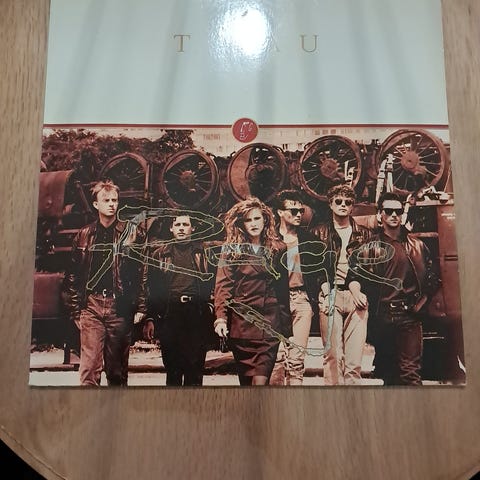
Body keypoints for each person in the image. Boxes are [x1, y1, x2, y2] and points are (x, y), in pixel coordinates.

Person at [347, 192, 438, 386]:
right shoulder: (369, 246)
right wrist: (356, 292)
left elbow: (432, 281)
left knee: (411, 374)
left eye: (398, 211)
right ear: (380, 214)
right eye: (389, 211)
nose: (394, 215)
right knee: (388, 374)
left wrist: (420, 305)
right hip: (382, 317)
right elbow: (353, 276)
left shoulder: (418, 246)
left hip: (409, 317)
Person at [63, 180, 145, 386]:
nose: (111, 204)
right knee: (90, 370)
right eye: (106, 200)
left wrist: (141, 306)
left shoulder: (133, 234)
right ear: (95, 204)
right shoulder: (84, 235)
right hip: (91, 306)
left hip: (120, 307)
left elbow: (143, 272)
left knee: (117, 373)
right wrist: (75, 311)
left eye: (114, 200)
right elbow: (72, 275)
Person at [213, 197, 291, 386]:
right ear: (241, 223)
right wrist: (221, 318)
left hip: (269, 325)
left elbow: (283, 291)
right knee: (247, 385)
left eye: (257, 218)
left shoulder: (278, 249)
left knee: (260, 383)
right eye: (248, 220)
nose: (253, 224)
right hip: (242, 328)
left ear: (265, 219)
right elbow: (223, 285)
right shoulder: (231, 250)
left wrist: (286, 331)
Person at [138, 213, 215, 386]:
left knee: (194, 370)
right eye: (178, 225)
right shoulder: (160, 254)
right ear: (171, 228)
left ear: (192, 228)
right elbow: (152, 289)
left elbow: (214, 282)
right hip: (170, 313)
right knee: (173, 369)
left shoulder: (204, 252)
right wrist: (151, 318)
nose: (181, 228)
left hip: (196, 312)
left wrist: (210, 306)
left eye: (185, 225)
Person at [312, 184, 372, 385]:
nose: (343, 205)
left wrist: (358, 290)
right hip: (331, 294)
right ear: (330, 204)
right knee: (333, 357)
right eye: (338, 201)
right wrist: (325, 293)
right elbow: (315, 269)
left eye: (348, 202)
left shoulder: (364, 234)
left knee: (354, 362)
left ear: (353, 206)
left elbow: (367, 268)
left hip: (356, 296)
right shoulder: (318, 232)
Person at [270, 190, 320, 385]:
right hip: (276, 301)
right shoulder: (269, 239)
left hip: (301, 299)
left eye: (301, 210)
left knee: (297, 359)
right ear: (280, 212)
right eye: (293, 210)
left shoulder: (308, 239)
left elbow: (319, 270)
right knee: (276, 359)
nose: (299, 214)